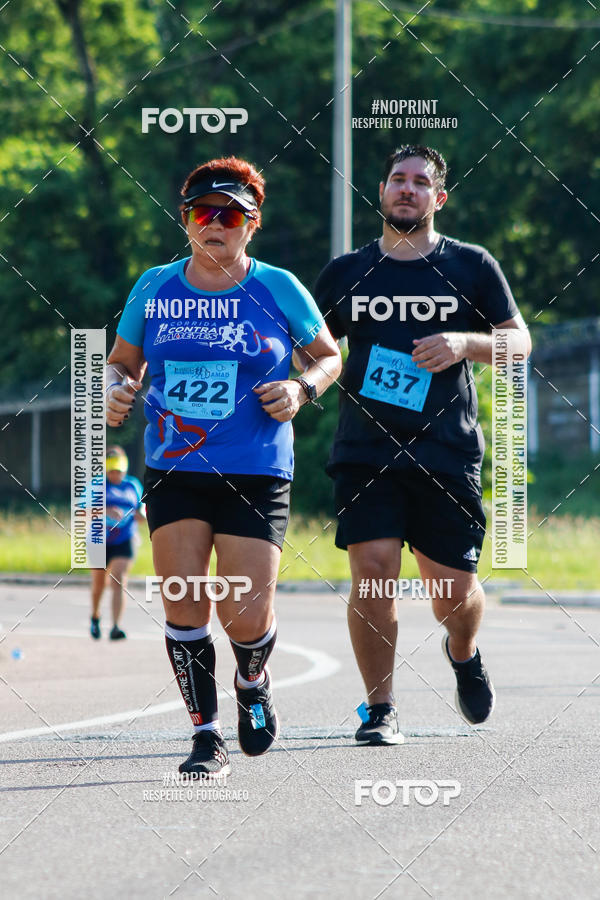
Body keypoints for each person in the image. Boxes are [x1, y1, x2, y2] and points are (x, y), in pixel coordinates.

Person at [105, 157, 341, 778]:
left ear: (251, 224)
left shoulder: (279, 287)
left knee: (246, 612)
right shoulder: (154, 286)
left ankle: (254, 680)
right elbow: (120, 361)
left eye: (229, 215)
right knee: (184, 603)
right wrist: (112, 389)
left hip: (256, 468)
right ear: (185, 220)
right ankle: (204, 736)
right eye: (201, 213)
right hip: (174, 468)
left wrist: (302, 389)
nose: (215, 224)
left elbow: (327, 356)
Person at [315, 145, 531, 745]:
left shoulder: (471, 266)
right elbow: (315, 352)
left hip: (445, 451)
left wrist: (466, 344)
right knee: (374, 573)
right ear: (381, 192)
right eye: (396, 180)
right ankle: (379, 708)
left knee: (452, 594)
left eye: (419, 183)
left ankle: (463, 653)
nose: (406, 190)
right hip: (366, 452)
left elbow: (520, 345)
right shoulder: (345, 273)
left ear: (439, 198)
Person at [89, 446, 145, 641]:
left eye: (119, 471)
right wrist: (105, 511)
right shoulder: (97, 485)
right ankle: (95, 616)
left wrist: (140, 516)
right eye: (112, 470)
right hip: (99, 539)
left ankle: (115, 626)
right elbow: (83, 512)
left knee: (119, 580)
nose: (116, 475)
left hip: (125, 537)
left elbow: (142, 511)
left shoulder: (133, 485)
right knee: (99, 584)